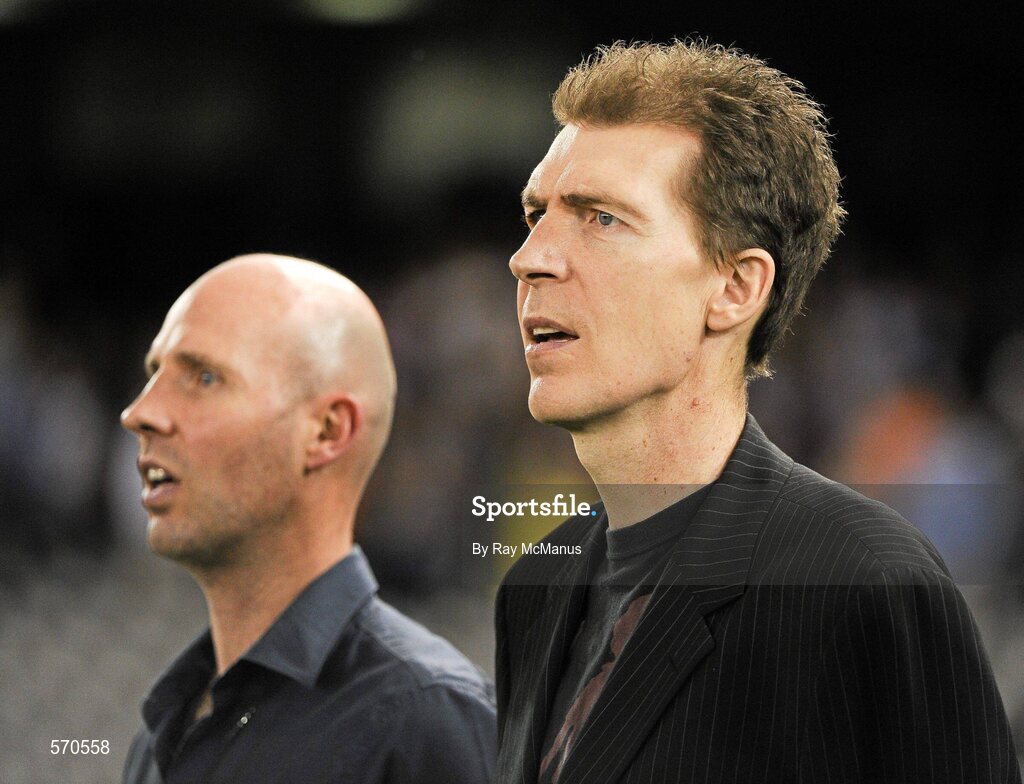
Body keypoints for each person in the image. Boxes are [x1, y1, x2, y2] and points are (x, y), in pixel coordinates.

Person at [495, 41, 1020, 784]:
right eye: (535, 213)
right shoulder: (533, 591)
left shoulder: (866, 583)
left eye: (602, 219)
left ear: (736, 289)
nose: (531, 256)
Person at [120, 254, 496, 784]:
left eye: (203, 377)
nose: (139, 412)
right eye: (154, 373)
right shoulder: (167, 726)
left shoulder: (425, 721)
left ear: (325, 432)